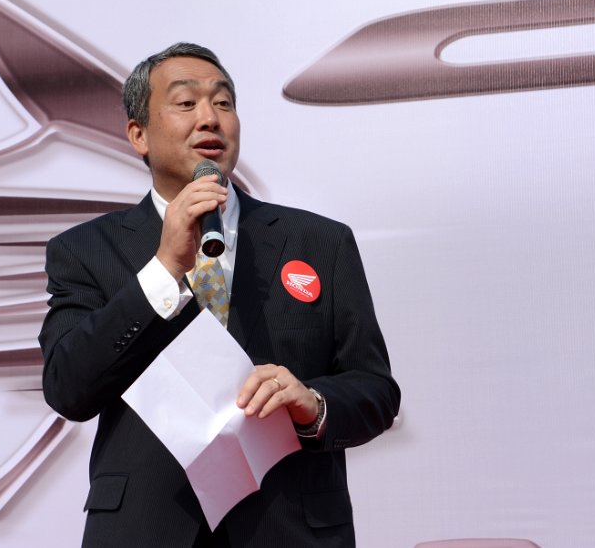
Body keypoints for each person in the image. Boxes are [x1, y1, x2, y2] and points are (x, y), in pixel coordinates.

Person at [39, 43, 400, 547]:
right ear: (138, 134)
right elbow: (68, 388)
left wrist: (313, 404)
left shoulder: (319, 242)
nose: (209, 118)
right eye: (186, 103)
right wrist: (163, 270)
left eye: (223, 103)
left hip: (287, 529)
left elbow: (376, 390)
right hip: (146, 530)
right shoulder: (84, 251)